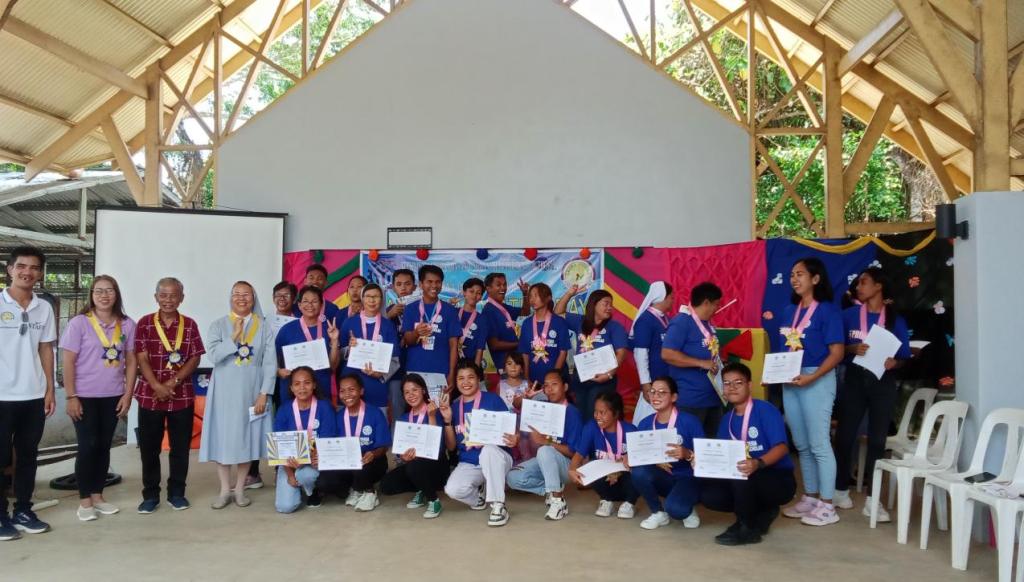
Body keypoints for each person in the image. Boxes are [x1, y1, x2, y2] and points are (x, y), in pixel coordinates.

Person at [832, 267, 911, 521]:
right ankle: (839, 490)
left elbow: (904, 355)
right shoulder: (848, 315)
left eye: (863, 282)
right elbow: (835, 347)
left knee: (877, 441)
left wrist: (895, 363)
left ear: (879, 286)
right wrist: (851, 348)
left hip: (882, 382)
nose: (858, 287)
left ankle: (873, 499)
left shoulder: (895, 319)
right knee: (845, 436)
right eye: (857, 283)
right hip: (854, 380)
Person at [60, 275, 137, 522]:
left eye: (109, 290)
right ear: (91, 294)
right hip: (83, 396)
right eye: (99, 291)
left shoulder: (127, 324)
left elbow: (132, 361)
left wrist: (128, 394)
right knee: (88, 445)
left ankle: (98, 496)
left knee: (104, 446)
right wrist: (71, 396)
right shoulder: (79, 323)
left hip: (113, 395)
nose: (104, 295)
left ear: (117, 294)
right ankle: (85, 501)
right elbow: (68, 362)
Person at [777, 257, 844, 527]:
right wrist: (776, 374)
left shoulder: (828, 311)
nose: (794, 279)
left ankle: (828, 505)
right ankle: (811, 497)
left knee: (819, 444)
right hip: (790, 379)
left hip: (817, 377)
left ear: (816, 279)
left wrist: (812, 376)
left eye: (800, 274)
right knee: (802, 444)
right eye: (792, 274)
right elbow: (784, 350)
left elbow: (837, 353)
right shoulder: (788, 312)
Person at [699, 363, 796, 546]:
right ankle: (762, 512)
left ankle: (747, 527)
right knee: (709, 494)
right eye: (727, 383)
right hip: (745, 476)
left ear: (749, 385)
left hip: (776, 476)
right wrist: (703, 462)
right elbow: (722, 454)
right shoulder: (726, 419)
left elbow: (782, 447)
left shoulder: (765, 410)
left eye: (738, 382)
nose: (732, 387)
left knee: (742, 475)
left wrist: (758, 463)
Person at [199, 282, 277, 509]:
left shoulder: (264, 327)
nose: (241, 298)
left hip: (252, 390)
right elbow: (214, 356)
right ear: (230, 297)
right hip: (224, 391)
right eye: (237, 294)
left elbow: (270, 363)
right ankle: (225, 489)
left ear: (254, 298)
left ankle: (241, 488)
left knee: (247, 439)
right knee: (223, 438)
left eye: (246, 294)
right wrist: (232, 338)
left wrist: (264, 393)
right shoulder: (218, 325)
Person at [134, 277, 205, 513]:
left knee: (180, 448)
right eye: (163, 295)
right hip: (150, 396)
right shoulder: (144, 323)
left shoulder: (190, 325)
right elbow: (141, 357)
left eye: (173, 295)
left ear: (181, 298)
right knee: (149, 449)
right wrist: (156, 385)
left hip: (181, 396)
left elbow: (195, 357)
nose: (168, 300)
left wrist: (172, 382)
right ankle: (150, 495)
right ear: (156, 297)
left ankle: (177, 493)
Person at [0, 247, 56, 539]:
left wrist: (49, 388)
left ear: (40, 273)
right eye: (21, 266)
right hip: (2, 396)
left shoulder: (43, 307)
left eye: (34, 268)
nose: (27, 272)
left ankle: (23, 510)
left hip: (33, 395)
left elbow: (46, 348)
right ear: (10, 269)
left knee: (27, 456)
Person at [440, 359, 517, 526]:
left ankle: (498, 505)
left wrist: (514, 438)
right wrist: (447, 420)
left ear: (478, 379)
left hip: (497, 458)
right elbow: (452, 446)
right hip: (470, 462)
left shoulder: (492, 400)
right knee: (452, 490)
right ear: (456, 381)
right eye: (461, 378)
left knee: (488, 450)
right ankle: (479, 498)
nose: (466, 382)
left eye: (471, 377)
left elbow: (511, 431)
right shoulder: (454, 407)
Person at [506, 369, 582, 520]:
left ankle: (558, 501)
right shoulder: (542, 407)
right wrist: (525, 399)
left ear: (565, 387)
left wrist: (546, 441)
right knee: (513, 477)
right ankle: (552, 489)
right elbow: (516, 406)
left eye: (554, 384)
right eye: (546, 385)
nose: (549, 389)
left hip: (568, 466)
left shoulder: (572, 413)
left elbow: (574, 453)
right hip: (546, 462)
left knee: (545, 450)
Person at [630, 376, 704, 530]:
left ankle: (686, 504)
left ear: (674, 397)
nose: (655, 396)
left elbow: (705, 458)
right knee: (638, 471)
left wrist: (688, 454)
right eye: (652, 392)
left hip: (687, 478)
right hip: (663, 478)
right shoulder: (645, 423)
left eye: (662, 392)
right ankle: (658, 512)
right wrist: (629, 457)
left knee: (677, 510)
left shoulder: (690, 421)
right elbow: (639, 456)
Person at [248, 279, 298, 489]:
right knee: (258, 423)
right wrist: (275, 370)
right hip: (265, 381)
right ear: (272, 298)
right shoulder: (262, 321)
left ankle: (283, 468)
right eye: (278, 295)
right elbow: (256, 353)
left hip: (290, 381)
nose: (282, 299)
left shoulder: (299, 322)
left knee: (286, 422)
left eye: (286, 295)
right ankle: (253, 472)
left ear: (294, 298)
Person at [380, 374, 450, 518]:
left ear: (423, 390)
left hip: (436, 465)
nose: (411, 395)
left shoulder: (435, 412)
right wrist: (403, 457)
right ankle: (422, 488)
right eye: (406, 392)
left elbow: (437, 448)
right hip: (413, 465)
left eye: (414, 390)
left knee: (414, 467)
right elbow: (399, 450)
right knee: (386, 485)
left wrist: (431, 416)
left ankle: (433, 500)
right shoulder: (403, 418)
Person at [662, 282, 724, 436]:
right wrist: (701, 363)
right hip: (691, 399)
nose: (717, 309)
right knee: (690, 444)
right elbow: (667, 353)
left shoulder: (707, 324)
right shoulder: (681, 322)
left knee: (712, 444)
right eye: (716, 304)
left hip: (713, 396)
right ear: (706, 303)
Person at [273, 367, 338, 514]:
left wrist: (309, 458)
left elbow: (327, 441)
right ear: (291, 388)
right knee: (285, 507)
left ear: (314, 385)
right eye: (297, 384)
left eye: (307, 383)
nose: (302, 387)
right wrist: (290, 474)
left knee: (306, 475)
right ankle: (299, 486)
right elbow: (279, 447)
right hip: (290, 463)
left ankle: (312, 491)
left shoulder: (324, 407)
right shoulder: (284, 409)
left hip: (315, 462)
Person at [556, 288, 628, 420]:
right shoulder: (580, 321)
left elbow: (621, 353)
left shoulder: (615, 327)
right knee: (579, 415)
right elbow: (558, 313)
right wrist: (570, 293)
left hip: (603, 379)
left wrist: (608, 375)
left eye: (611, 304)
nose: (609, 307)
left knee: (594, 415)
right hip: (580, 377)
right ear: (594, 304)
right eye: (606, 303)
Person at [568, 391, 639, 519]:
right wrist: (572, 469)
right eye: (596, 412)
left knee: (639, 471)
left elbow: (641, 460)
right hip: (605, 480)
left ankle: (629, 503)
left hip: (626, 481)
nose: (597, 416)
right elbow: (579, 455)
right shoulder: (591, 427)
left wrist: (623, 465)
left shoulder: (630, 430)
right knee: (588, 468)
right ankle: (606, 500)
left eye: (602, 412)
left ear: (616, 413)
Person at [326, 374, 390, 511]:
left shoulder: (375, 413)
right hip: (347, 461)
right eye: (342, 391)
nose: (347, 394)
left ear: (361, 391)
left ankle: (370, 492)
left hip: (372, 461)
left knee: (362, 465)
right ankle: (357, 488)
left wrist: (373, 454)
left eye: (351, 389)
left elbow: (384, 446)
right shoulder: (338, 417)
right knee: (327, 480)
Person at [275, 286, 341, 404]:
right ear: (299, 305)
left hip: (321, 387)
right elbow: (273, 359)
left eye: (314, 301)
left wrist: (335, 341)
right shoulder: (287, 329)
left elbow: (333, 366)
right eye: (305, 301)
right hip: (293, 391)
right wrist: (279, 371)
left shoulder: (329, 329)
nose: (310, 305)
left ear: (321, 305)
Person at [341, 283, 399, 416]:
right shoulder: (349, 323)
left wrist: (381, 374)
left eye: (376, 296)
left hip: (376, 386)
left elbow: (395, 359)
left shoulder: (388, 325)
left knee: (377, 422)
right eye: (368, 296)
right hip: (350, 385)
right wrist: (349, 349)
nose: (372, 300)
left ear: (382, 300)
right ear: (362, 298)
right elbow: (338, 355)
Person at [401, 265, 461, 389]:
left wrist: (451, 373)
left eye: (438, 282)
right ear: (421, 284)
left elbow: (453, 345)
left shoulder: (450, 311)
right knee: (416, 402)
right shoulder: (410, 309)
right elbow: (407, 340)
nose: (434, 285)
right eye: (429, 281)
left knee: (440, 402)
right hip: (415, 371)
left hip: (441, 371)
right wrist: (416, 333)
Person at [630, 281, 674, 424]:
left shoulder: (665, 318)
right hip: (653, 381)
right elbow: (640, 353)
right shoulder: (645, 321)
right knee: (647, 421)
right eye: (671, 297)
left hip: (666, 379)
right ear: (662, 297)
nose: (673, 301)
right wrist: (645, 383)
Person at [517, 283, 569, 385]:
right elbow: (525, 353)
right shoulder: (527, 323)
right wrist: (526, 377)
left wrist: (554, 377)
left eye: (536, 295)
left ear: (548, 298)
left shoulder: (559, 322)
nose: (532, 299)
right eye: (530, 296)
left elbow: (563, 352)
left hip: (555, 380)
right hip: (533, 379)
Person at [482, 273, 530, 376]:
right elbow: (494, 345)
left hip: (516, 363)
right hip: (505, 367)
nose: (503, 288)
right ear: (488, 289)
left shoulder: (503, 307)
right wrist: (520, 344)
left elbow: (525, 312)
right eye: (498, 285)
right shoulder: (488, 311)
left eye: (504, 284)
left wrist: (525, 294)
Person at [385, 268, 416, 426]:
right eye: (399, 284)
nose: (403, 288)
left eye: (407, 284)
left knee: (419, 410)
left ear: (415, 287)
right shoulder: (386, 312)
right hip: (395, 371)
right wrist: (388, 316)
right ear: (393, 287)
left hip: (417, 367)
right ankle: (398, 441)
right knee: (398, 411)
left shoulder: (421, 310)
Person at [456, 278, 489, 365]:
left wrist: (476, 369)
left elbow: (480, 348)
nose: (474, 295)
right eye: (471, 291)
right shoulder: (453, 312)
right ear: (464, 292)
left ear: (481, 297)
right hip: (449, 362)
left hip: (469, 365)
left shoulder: (482, 319)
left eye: (478, 293)